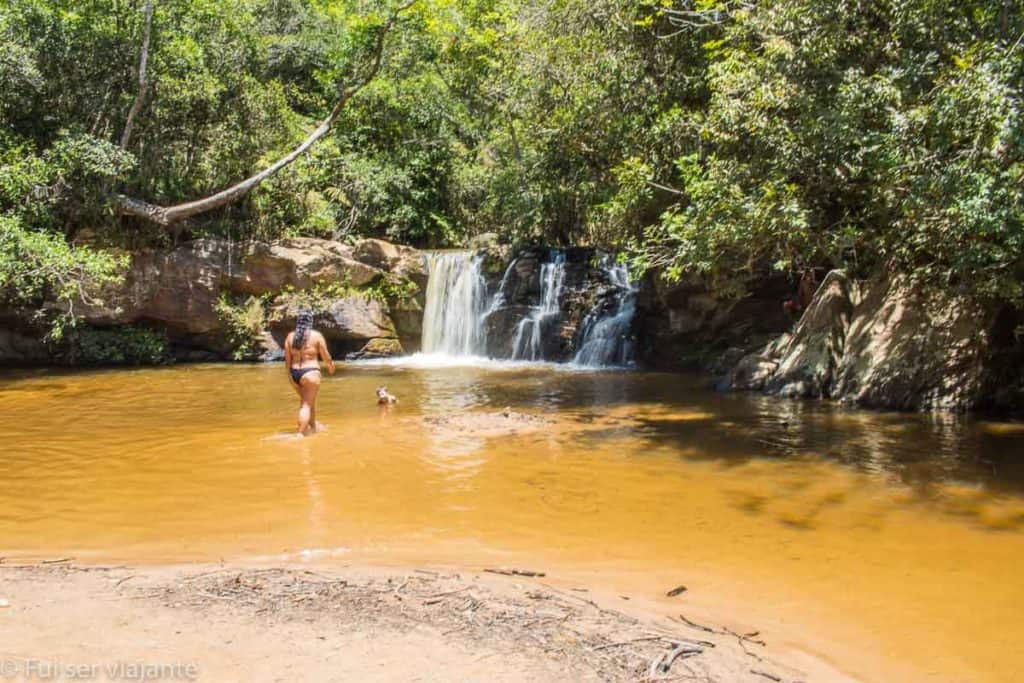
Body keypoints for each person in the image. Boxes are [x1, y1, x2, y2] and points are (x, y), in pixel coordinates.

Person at [283, 309, 335, 435]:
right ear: (310, 321)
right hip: (310, 372)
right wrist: (331, 366)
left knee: (309, 401)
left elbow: (287, 360)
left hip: (295, 373)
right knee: (306, 405)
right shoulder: (316, 336)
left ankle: (312, 427)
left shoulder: (290, 336)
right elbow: (326, 356)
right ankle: (300, 433)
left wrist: (290, 377)